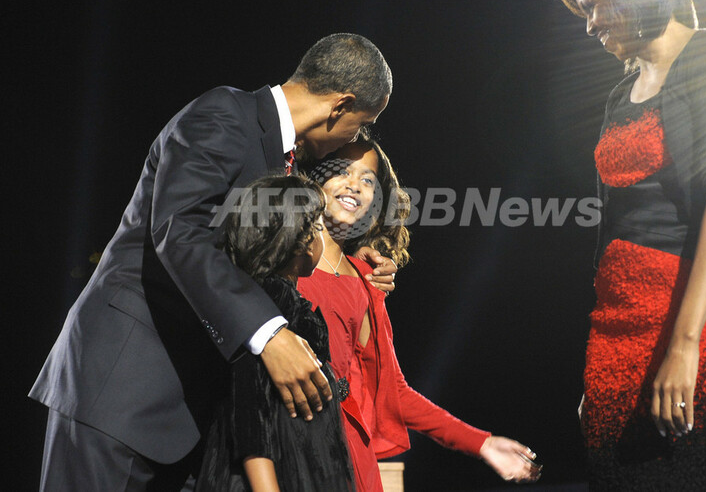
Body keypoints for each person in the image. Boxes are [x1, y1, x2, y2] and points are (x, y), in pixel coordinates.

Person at [30, 33, 397, 491]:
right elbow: (180, 232)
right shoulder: (225, 114)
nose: (357, 137)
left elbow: (269, 246)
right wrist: (269, 335)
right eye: (363, 123)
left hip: (190, 418)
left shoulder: (284, 160)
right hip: (124, 391)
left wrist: (352, 257)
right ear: (340, 106)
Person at [534, 0, 706, 491]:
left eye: (595, 5)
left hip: (703, 313)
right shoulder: (620, 91)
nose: (590, 24)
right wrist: (602, 365)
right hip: (622, 319)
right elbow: (612, 227)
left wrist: (684, 343)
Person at [298, 134, 542, 490]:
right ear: (314, 178)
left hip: (351, 464)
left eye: (368, 180)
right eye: (342, 171)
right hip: (291, 451)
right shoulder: (284, 263)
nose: (355, 185)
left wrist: (481, 442)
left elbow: (393, 391)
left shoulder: (369, 280)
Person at [196, 174, 355, 492]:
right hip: (274, 474)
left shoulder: (273, 299)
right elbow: (250, 407)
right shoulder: (271, 300)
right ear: (301, 239)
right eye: (320, 227)